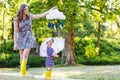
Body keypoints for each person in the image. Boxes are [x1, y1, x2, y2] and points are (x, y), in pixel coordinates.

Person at [13, 4, 57, 77]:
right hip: (20, 38)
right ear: (22, 10)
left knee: (25, 54)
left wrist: (50, 11)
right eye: (25, 9)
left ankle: (23, 72)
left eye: (27, 9)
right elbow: (15, 32)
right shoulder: (17, 19)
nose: (27, 10)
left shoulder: (29, 16)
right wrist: (15, 43)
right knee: (22, 56)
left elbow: (40, 15)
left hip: (29, 37)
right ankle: (23, 72)